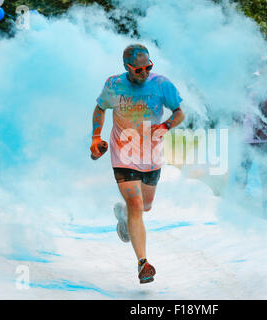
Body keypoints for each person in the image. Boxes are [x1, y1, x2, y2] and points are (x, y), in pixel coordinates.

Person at [90, 44, 185, 283]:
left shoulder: (162, 84)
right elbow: (100, 109)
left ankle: (123, 216)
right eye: (139, 69)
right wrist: (96, 137)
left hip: (151, 156)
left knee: (145, 206)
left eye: (148, 67)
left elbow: (179, 113)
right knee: (135, 202)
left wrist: (165, 126)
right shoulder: (114, 85)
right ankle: (143, 263)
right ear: (127, 68)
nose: (144, 73)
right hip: (123, 153)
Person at [238, 56, 267, 204]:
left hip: (266, 137)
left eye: (266, 66)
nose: (263, 69)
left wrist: (257, 98)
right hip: (248, 135)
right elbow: (243, 109)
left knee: (265, 170)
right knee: (243, 168)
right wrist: (237, 123)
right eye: (261, 66)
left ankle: (265, 202)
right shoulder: (252, 87)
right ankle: (239, 200)